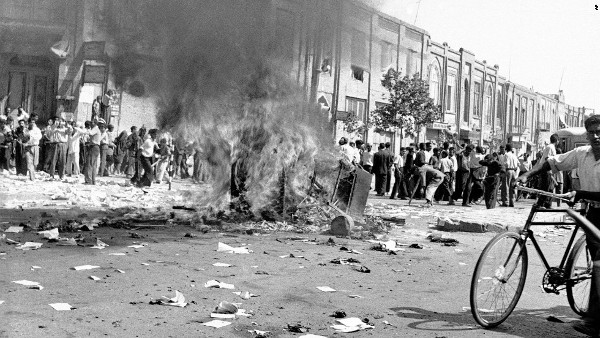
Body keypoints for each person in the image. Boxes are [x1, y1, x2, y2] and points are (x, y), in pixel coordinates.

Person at [517, 115, 600, 337]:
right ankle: (594, 315)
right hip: (592, 212)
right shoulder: (582, 154)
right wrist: (528, 174)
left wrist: (579, 193)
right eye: (592, 132)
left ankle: (594, 322)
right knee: (598, 265)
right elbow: (553, 162)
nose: (596, 136)